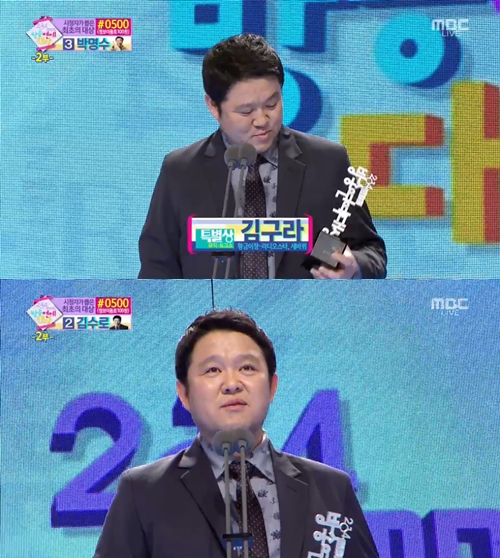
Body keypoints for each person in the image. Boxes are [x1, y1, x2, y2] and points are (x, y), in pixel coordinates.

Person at [93, 309, 379, 558]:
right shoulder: (143, 492)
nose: (232, 383)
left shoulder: (331, 489)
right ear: (184, 394)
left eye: (247, 367)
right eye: (213, 370)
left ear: (272, 386)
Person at [138, 33, 387, 280]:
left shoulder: (327, 162)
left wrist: (355, 267)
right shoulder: (181, 171)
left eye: (271, 104)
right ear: (213, 106)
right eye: (246, 111)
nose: (262, 120)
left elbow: (371, 251)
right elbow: (157, 270)